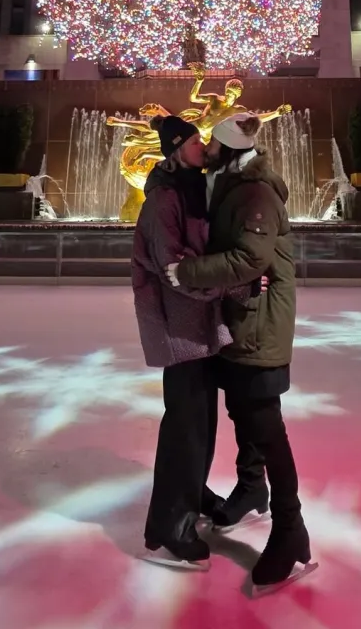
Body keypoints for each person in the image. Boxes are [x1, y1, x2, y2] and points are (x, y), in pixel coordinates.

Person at [168, 113, 315, 595]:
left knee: (265, 424)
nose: (207, 151)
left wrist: (187, 273)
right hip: (244, 316)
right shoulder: (233, 183)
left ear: (230, 152)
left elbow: (250, 258)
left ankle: (290, 529)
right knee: (244, 412)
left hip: (261, 322)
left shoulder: (255, 194)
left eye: (213, 145)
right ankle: (253, 488)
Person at [132, 114, 257, 570]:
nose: (203, 148)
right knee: (185, 426)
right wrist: (233, 287)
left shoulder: (190, 191)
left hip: (201, 328)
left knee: (201, 420)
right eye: (195, 142)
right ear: (176, 149)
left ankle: (194, 491)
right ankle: (171, 524)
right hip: (179, 328)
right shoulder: (164, 201)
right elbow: (177, 269)